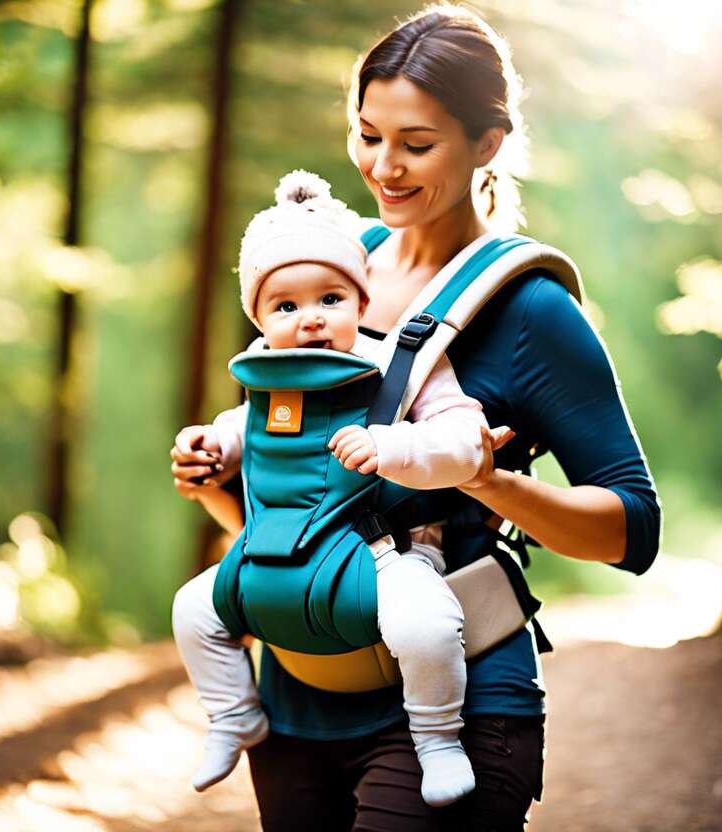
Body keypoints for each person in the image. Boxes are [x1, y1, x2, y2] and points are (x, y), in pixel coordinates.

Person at [171, 6, 661, 830]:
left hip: (458, 699)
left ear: (488, 144)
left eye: (416, 144)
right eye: (368, 136)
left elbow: (633, 529)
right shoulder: (325, 267)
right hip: (296, 694)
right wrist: (219, 480)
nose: (383, 167)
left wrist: (490, 482)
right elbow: (290, 489)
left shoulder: (530, 310)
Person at [172, 169, 492, 807]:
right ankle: (234, 714)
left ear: (363, 303)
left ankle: (436, 737)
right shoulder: (268, 381)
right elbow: (245, 430)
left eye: (330, 299)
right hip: (280, 555)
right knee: (193, 610)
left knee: (426, 624)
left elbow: (465, 441)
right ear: (259, 319)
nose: (310, 320)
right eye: (286, 306)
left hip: (383, 553)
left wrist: (392, 447)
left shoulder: (399, 370)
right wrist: (210, 445)